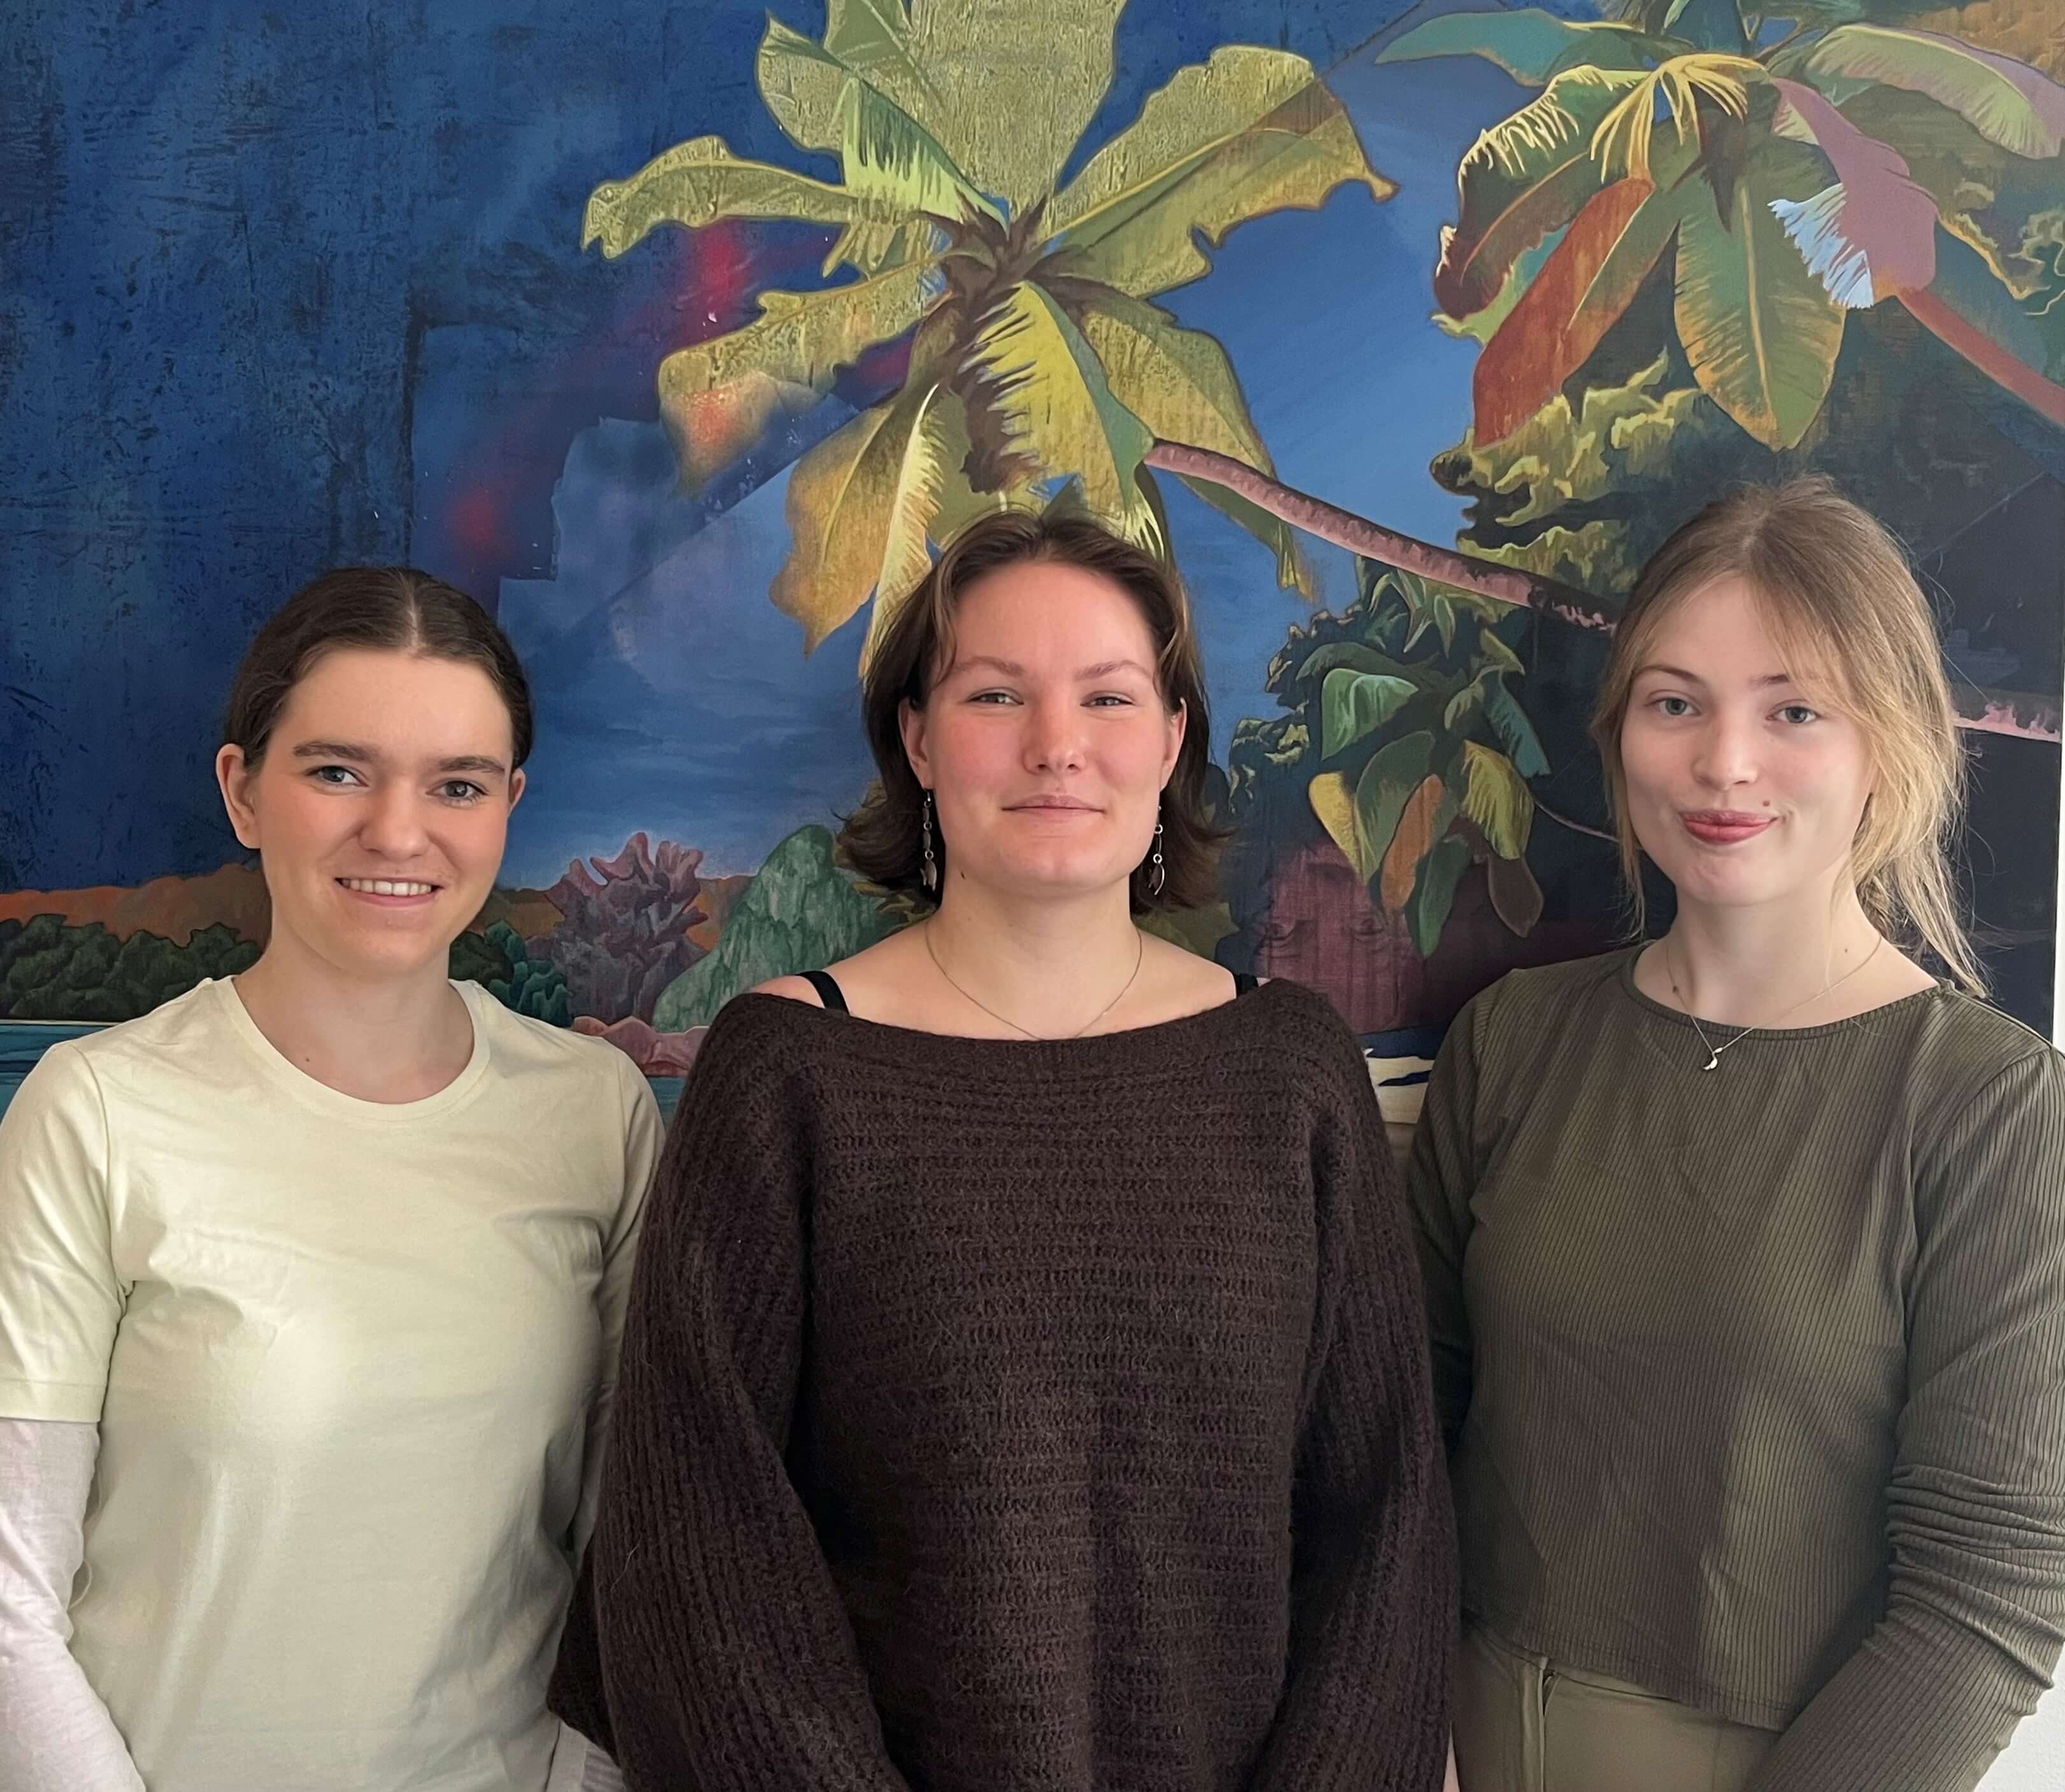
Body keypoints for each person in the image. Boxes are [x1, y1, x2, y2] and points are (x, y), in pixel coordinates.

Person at [550, 508, 1457, 1791]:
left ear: (1171, 738)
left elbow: (1384, 1521)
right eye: (995, 695)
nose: (1056, 747)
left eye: (1107, 696)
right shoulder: (789, 1073)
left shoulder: (1289, 1071)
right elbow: (694, 1542)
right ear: (918, 739)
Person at [1409, 478, 2065, 1792]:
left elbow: (1989, 1599)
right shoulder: (1513, 1042)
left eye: (1794, 711)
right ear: (1621, 735)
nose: (1723, 764)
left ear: (1888, 741)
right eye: (1674, 703)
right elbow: (1406, 1435)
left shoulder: (1988, 1103)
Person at [0, 569, 659, 1791]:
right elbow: (6, 1611)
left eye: (456, 784)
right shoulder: (92, 1114)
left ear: (510, 805)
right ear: (243, 790)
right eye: (338, 771)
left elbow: (629, 1556)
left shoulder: (596, 1114)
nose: (399, 832)